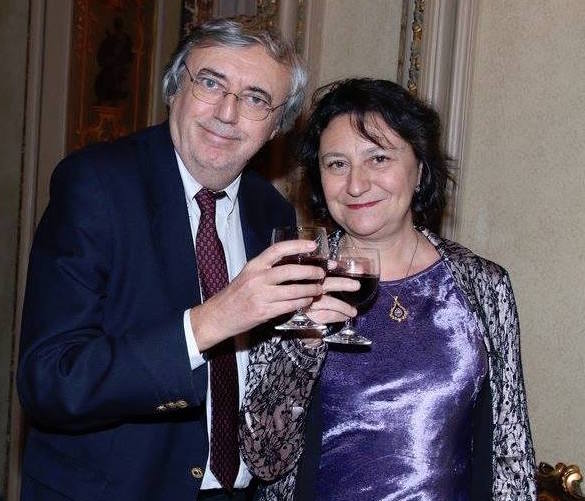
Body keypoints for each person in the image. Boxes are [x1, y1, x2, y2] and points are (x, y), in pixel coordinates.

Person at [17, 18, 339, 501]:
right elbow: (49, 381)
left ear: (277, 126)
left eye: (256, 99)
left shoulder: (270, 211)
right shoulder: (97, 185)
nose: (227, 112)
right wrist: (211, 321)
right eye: (210, 83)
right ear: (174, 89)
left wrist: (306, 338)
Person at [239, 78, 537, 500]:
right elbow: (263, 457)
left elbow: (511, 452)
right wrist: (302, 346)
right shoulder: (293, 279)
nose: (356, 185)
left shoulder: (483, 285)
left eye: (378, 158)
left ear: (420, 169)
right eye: (336, 164)